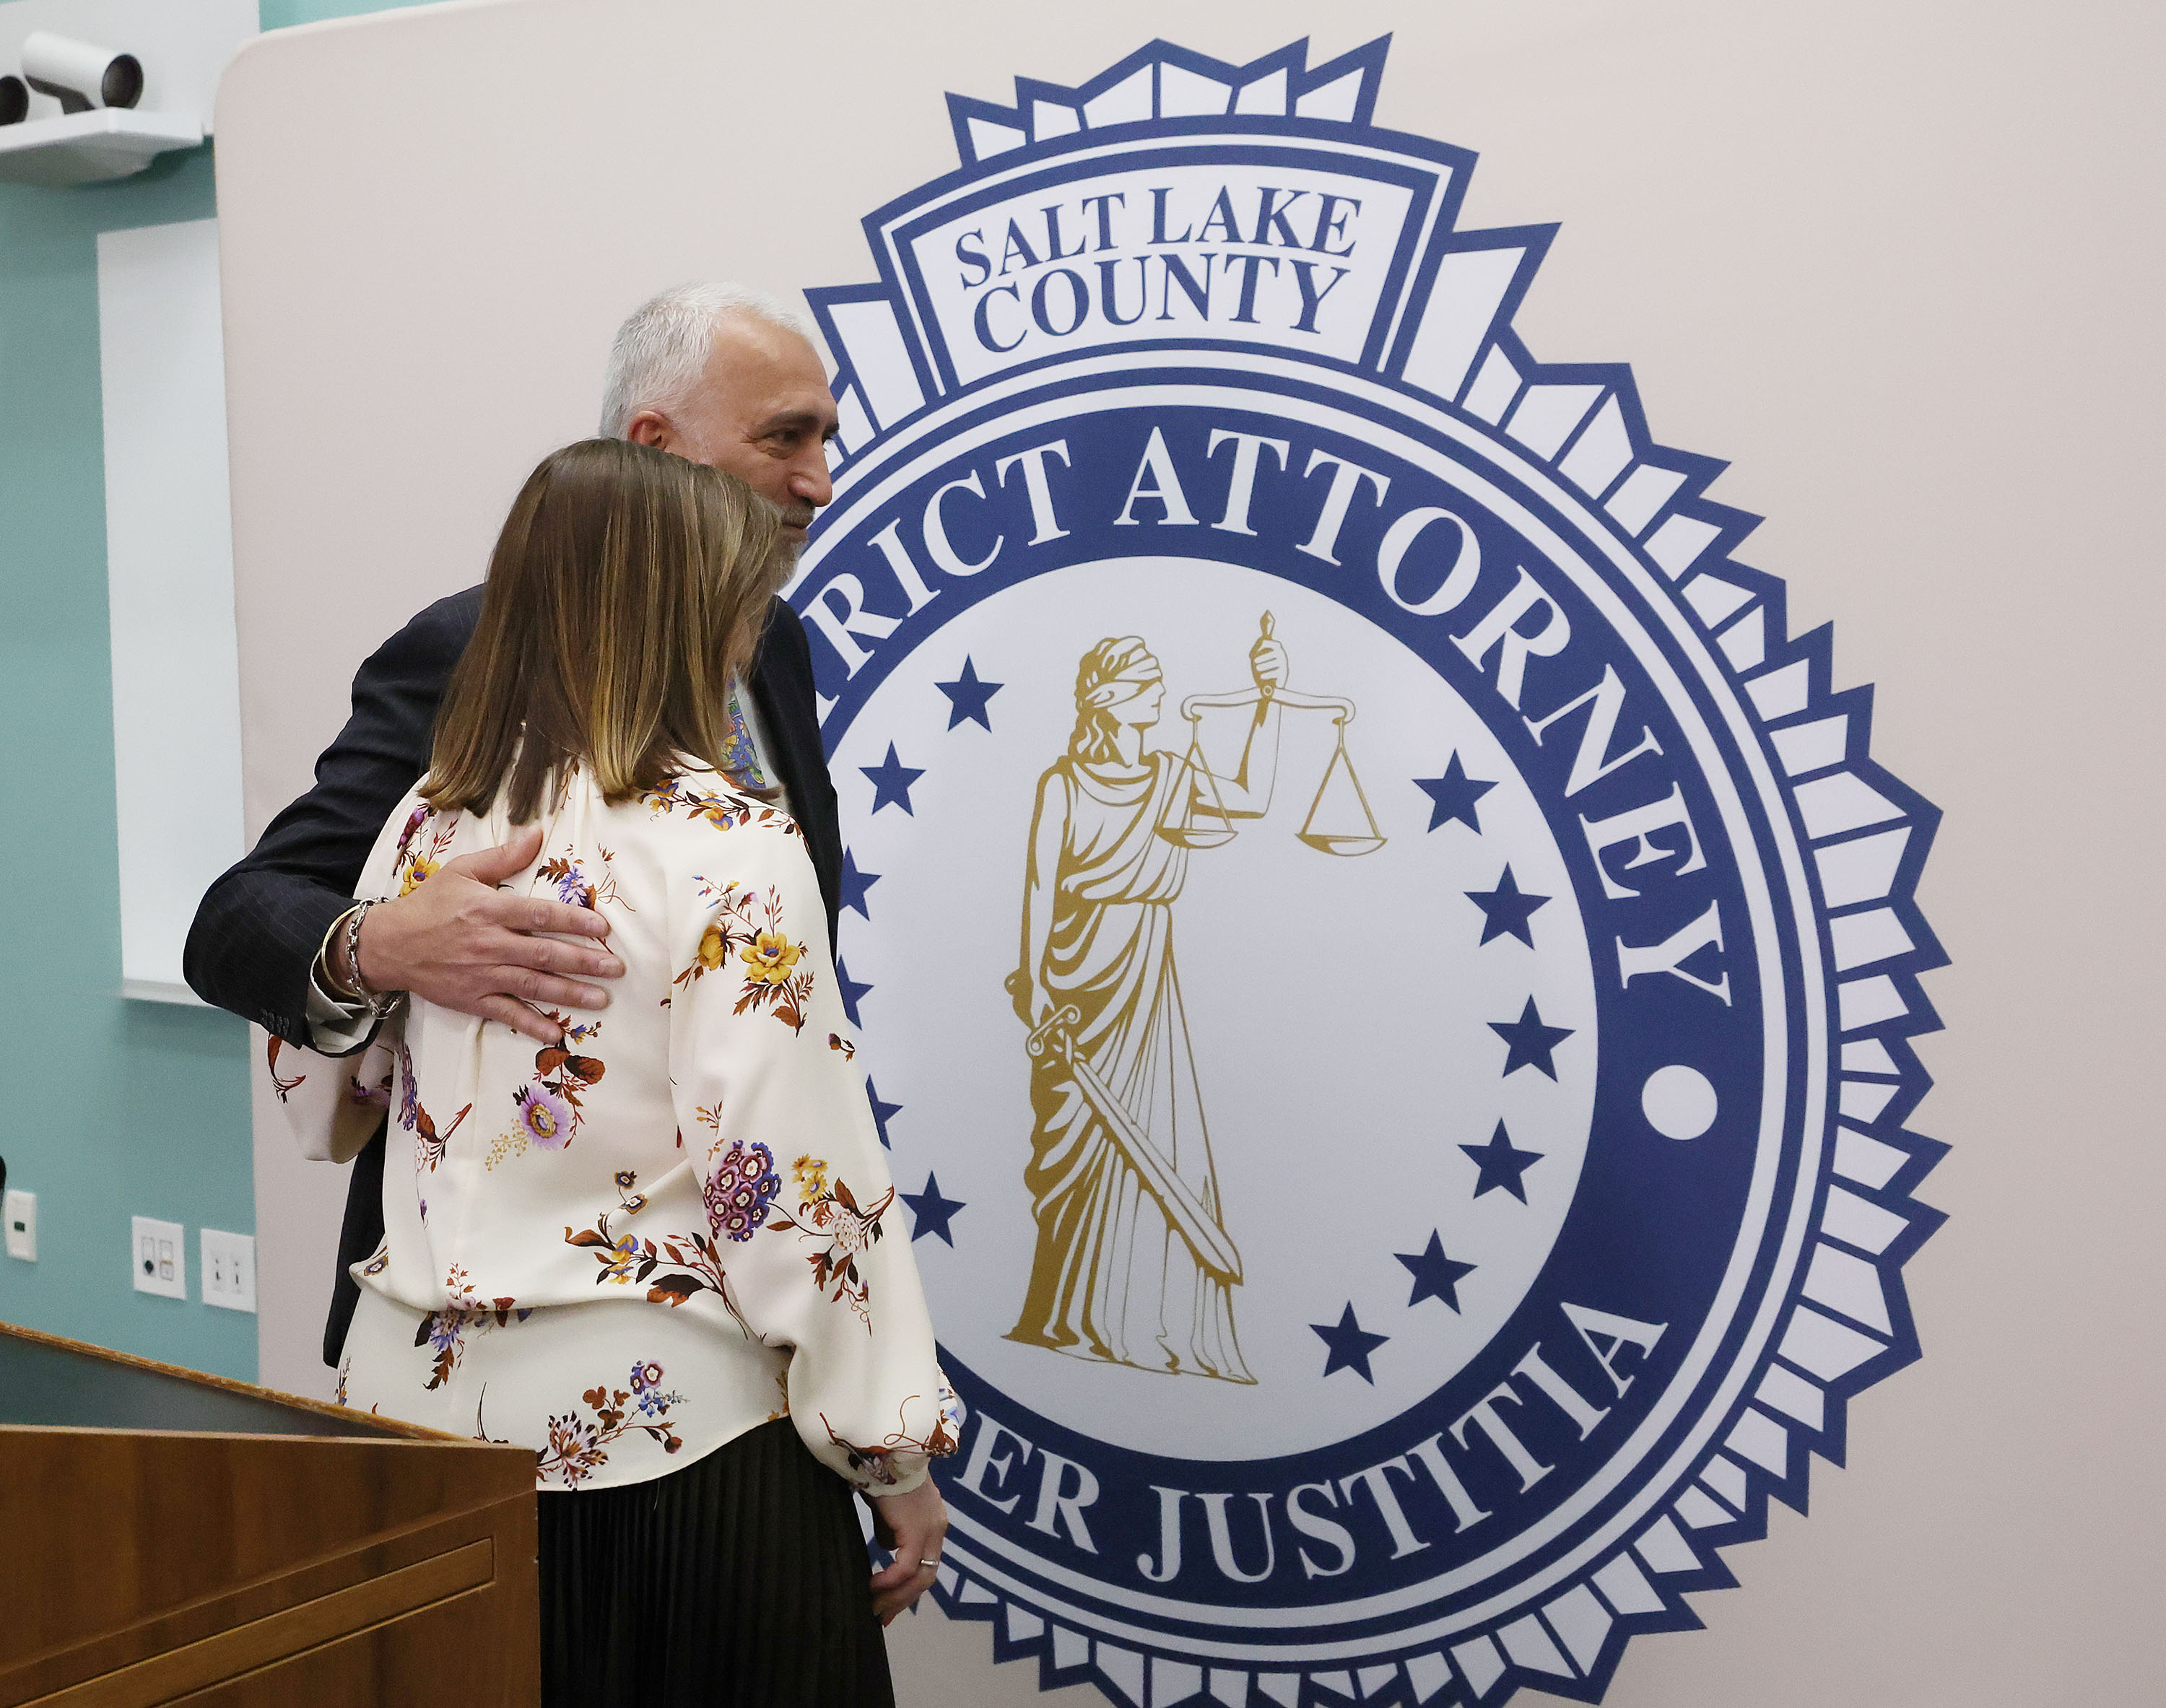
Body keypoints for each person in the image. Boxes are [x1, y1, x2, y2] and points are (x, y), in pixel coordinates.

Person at [272, 438, 954, 1703]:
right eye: (744, 600)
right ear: (691, 610)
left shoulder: (425, 823)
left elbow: (328, 1093)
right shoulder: (731, 843)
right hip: (674, 1451)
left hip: (415, 1427)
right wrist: (892, 1455)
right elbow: (790, 1194)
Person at [186, 284, 840, 1379]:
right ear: (655, 444)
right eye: (786, 438)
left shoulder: (780, 652)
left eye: (826, 440)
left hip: (743, 1341)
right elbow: (240, 918)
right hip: (485, 1335)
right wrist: (380, 944)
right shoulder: (465, 651)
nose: (818, 480)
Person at [1004, 630, 1284, 1385]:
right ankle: (1071, 1312)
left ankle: (1142, 1318)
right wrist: (1033, 991)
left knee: (1155, 1132)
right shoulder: (1062, 784)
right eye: (1147, 681)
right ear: (1110, 698)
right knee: (1074, 1152)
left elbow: (1253, 798)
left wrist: (1267, 700)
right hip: (1074, 983)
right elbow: (1039, 888)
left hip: (1143, 980)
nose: (1161, 691)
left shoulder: (1171, 772)